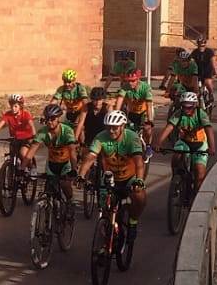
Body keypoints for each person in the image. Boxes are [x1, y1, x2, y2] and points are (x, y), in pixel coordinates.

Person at [75, 111, 147, 240]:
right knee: (105, 209)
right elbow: (91, 157)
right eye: (108, 127)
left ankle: (133, 221)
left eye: (115, 127)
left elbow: (139, 161)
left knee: (140, 195)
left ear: (122, 126)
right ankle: (107, 235)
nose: (111, 131)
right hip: (110, 178)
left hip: (129, 178)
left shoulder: (132, 137)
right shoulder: (100, 137)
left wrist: (140, 180)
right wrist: (81, 176)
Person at [156, 92, 214, 188]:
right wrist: (158, 143)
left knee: (199, 171)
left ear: (195, 105)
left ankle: (196, 193)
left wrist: (212, 147)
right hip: (184, 142)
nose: (186, 110)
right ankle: (176, 176)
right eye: (184, 107)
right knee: (176, 157)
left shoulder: (201, 114)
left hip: (200, 144)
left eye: (189, 107)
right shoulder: (179, 114)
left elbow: (209, 129)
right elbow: (169, 127)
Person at [32, 104, 80, 202]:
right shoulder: (42, 132)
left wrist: (74, 169)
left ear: (58, 119)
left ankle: (70, 201)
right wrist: (22, 168)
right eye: (47, 119)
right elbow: (32, 150)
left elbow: (72, 150)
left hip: (66, 164)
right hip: (51, 164)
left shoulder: (67, 131)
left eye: (53, 119)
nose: (50, 122)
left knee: (64, 184)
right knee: (48, 188)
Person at [0, 94, 36, 174]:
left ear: (20, 106)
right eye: (12, 106)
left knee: (23, 153)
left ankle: (31, 167)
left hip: (26, 139)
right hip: (15, 139)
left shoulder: (25, 114)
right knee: (12, 155)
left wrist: (34, 136)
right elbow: (0, 125)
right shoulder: (8, 115)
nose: (13, 108)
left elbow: (32, 125)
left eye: (16, 106)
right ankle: (13, 172)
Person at [116, 70, 156, 150]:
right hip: (132, 112)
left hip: (144, 111)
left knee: (147, 129)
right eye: (128, 81)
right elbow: (119, 101)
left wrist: (150, 120)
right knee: (126, 129)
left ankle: (148, 146)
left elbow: (149, 105)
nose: (130, 83)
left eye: (133, 81)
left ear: (138, 79)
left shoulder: (145, 87)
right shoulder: (125, 87)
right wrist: (116, 114)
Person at [52, 69, 91, 143]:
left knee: (79, 128)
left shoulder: (80, 88)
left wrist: (83, 114)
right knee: (66, 129)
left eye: (69, 82)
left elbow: (85, 102)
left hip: (80, 112)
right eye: (65, 82)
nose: (67, 84)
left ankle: (82, 144)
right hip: (70, 112)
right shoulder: (61, 89)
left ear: (74, 81)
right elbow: (53, 102)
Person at [192, 38, 217, 102]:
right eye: (200, 44)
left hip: (207, 70)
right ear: (198, 44)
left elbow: (213, 62)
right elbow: (191, 62)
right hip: (198, 70)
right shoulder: (195, 52)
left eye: (203, 44)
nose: (201, 46)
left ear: (205, 44)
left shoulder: (209, 51)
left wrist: (215, 71)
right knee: (195, 86)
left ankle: (211, 93)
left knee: (208, 82)